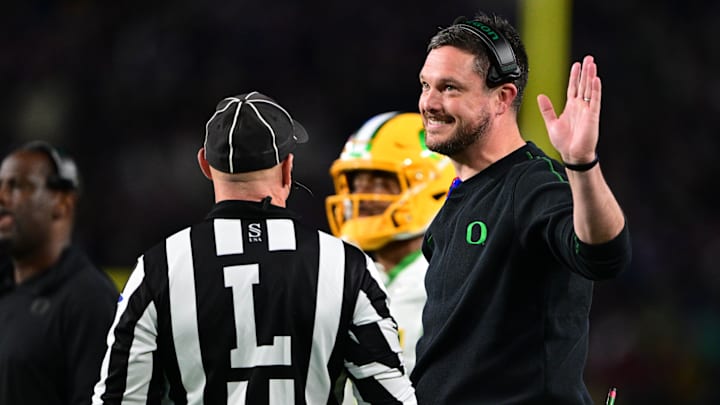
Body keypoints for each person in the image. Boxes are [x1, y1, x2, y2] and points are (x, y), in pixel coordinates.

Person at [92, 91, 416, 404]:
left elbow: (118, 399)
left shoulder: (159, 266)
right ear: (288, 168)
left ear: (205, 165)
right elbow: (392, 397)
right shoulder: (346, 265)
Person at [409, 12, 632, 404]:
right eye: (426, 85)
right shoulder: (455, 203)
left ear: (502, 98)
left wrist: (581, 163)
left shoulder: (531, 186)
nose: (429, 102)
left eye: (450, 88)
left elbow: (604, 255)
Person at [325, 112, 455, 404]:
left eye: (381, 181)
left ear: (433, 185)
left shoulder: (454, 278)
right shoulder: (341, 272)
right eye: (356, 182)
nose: (362, 196)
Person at [0, 141, 118, 405]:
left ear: (62, 203)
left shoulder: (89, 300)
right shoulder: (6, 289)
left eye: (17, 185)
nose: (2, 197)